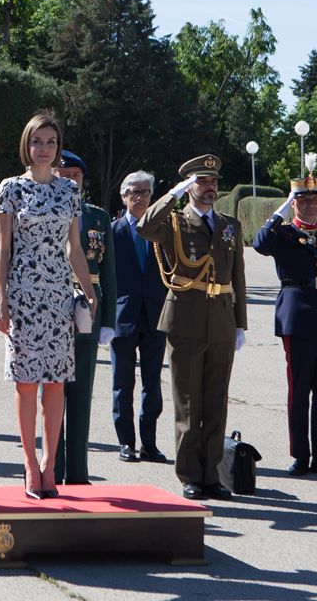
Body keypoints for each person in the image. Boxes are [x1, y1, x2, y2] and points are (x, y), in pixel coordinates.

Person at [0, 113, 97, 499]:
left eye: (51, 142)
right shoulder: (10, 189)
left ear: (58, 147)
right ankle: (29, 465)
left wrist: (88, 291)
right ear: (27, 144)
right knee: (26, 386)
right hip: (22, 297)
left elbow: (75, 248)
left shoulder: (68, 192)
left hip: (57, 298)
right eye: (37, 141)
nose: (44, 148)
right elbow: (3, 249)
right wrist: (0, 298)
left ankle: (51, 465)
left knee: (55, 385)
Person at [137, 154, 247, 501]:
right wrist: (172, 194)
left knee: (216, 403)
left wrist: (240, 323)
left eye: (213, 182)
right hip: (185, 320)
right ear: (189, 187)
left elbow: (238, 277)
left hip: (221, 322)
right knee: (188, 404)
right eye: (201, 181)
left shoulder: (230, 225)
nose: (209, 187)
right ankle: (190, 475)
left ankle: (212, 474)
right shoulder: (173, 222)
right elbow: (144, 226)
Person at [251, 163, 317, 478]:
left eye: (314, 200)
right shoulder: (282, 234)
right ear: (293, 202)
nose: (310, 204)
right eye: (303, 200)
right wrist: (279, 211)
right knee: (300, 391)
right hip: (298, 318)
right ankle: (301, 455)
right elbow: (259, 244)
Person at [50, 151, 116, 485]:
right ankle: (52, 470)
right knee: (52, 397)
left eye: (76, 175)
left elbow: (109, 270)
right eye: (65, 174)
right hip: (52, 306)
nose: (71, 180)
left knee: (81, 397)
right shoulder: (44, 211)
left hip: (88, 311)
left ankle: (77, 473)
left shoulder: (98, 217)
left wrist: (109, 321)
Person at [109, 171, 169, 463]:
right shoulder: (112, 231)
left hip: (156, 316)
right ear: (123, 196)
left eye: (145, 192)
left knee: (152, 384)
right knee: (122, 384)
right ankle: (125, 443)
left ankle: (149, 443)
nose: (139, 197)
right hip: (123, 317)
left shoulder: (163, 231)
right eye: (133, 192)